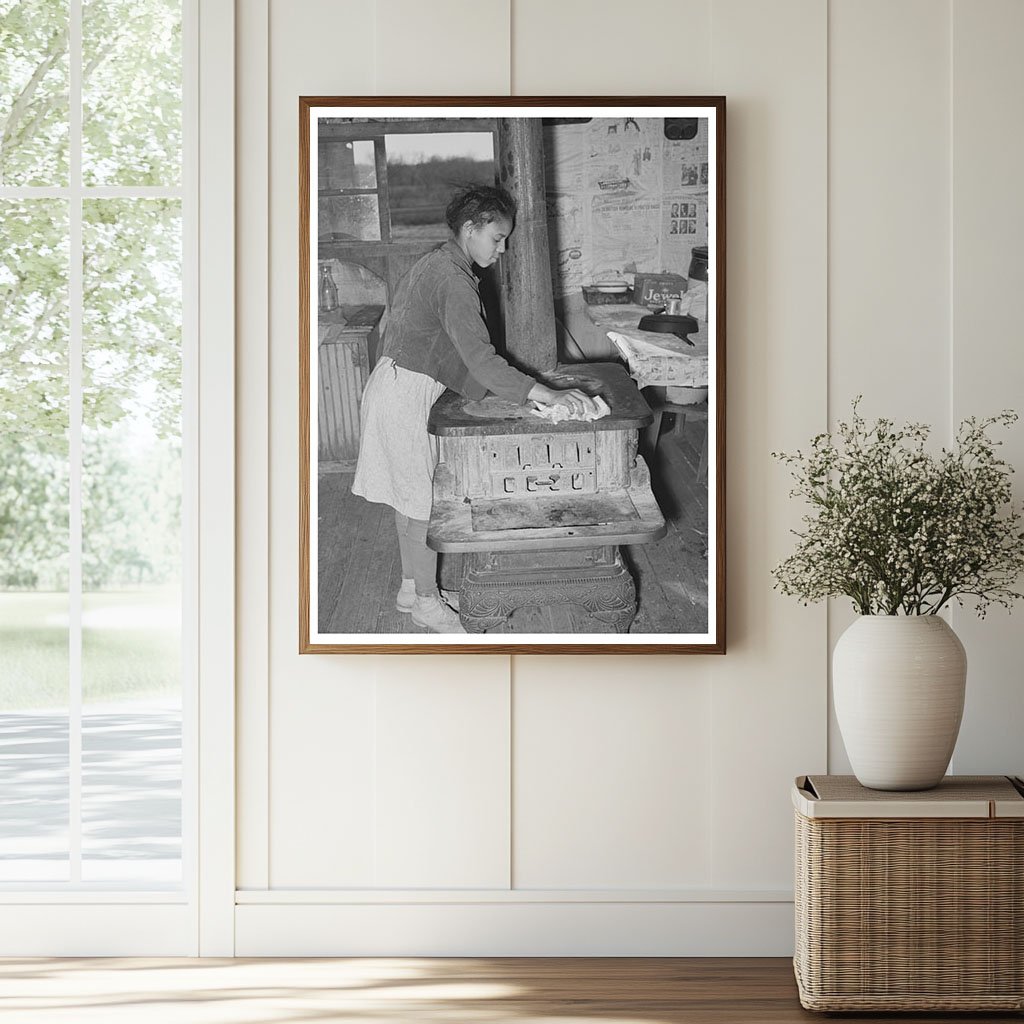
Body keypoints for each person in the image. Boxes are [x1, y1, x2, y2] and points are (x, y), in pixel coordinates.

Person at [351, 184, 601, 633]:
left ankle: (411, 588)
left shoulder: (439, 262)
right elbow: (481, 361)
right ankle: (426, 603)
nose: (501, 249)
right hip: (403, 395)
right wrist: (547, 394)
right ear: (470, 229)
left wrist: (513, 390)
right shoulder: (452, 279)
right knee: (422, 507)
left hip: (395, 385)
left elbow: (454, 353)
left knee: (409, 500)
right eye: (496, 238)